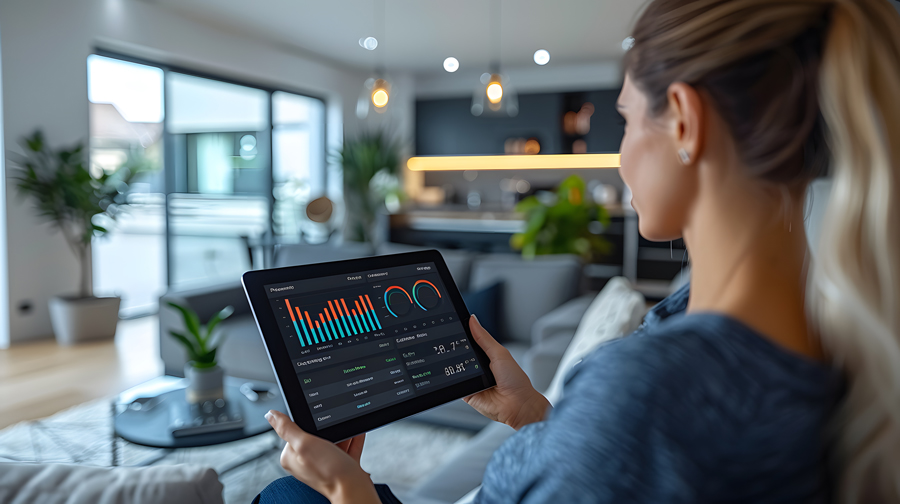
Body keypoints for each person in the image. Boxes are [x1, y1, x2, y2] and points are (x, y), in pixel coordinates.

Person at [255, 0, 900, 502]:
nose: (619, 156)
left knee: (287, 492)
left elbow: (634, 437)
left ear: (683, 120)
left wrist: (348, 491)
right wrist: (531, 411)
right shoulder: (834, 329)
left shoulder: (651, 389)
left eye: (623, 119)